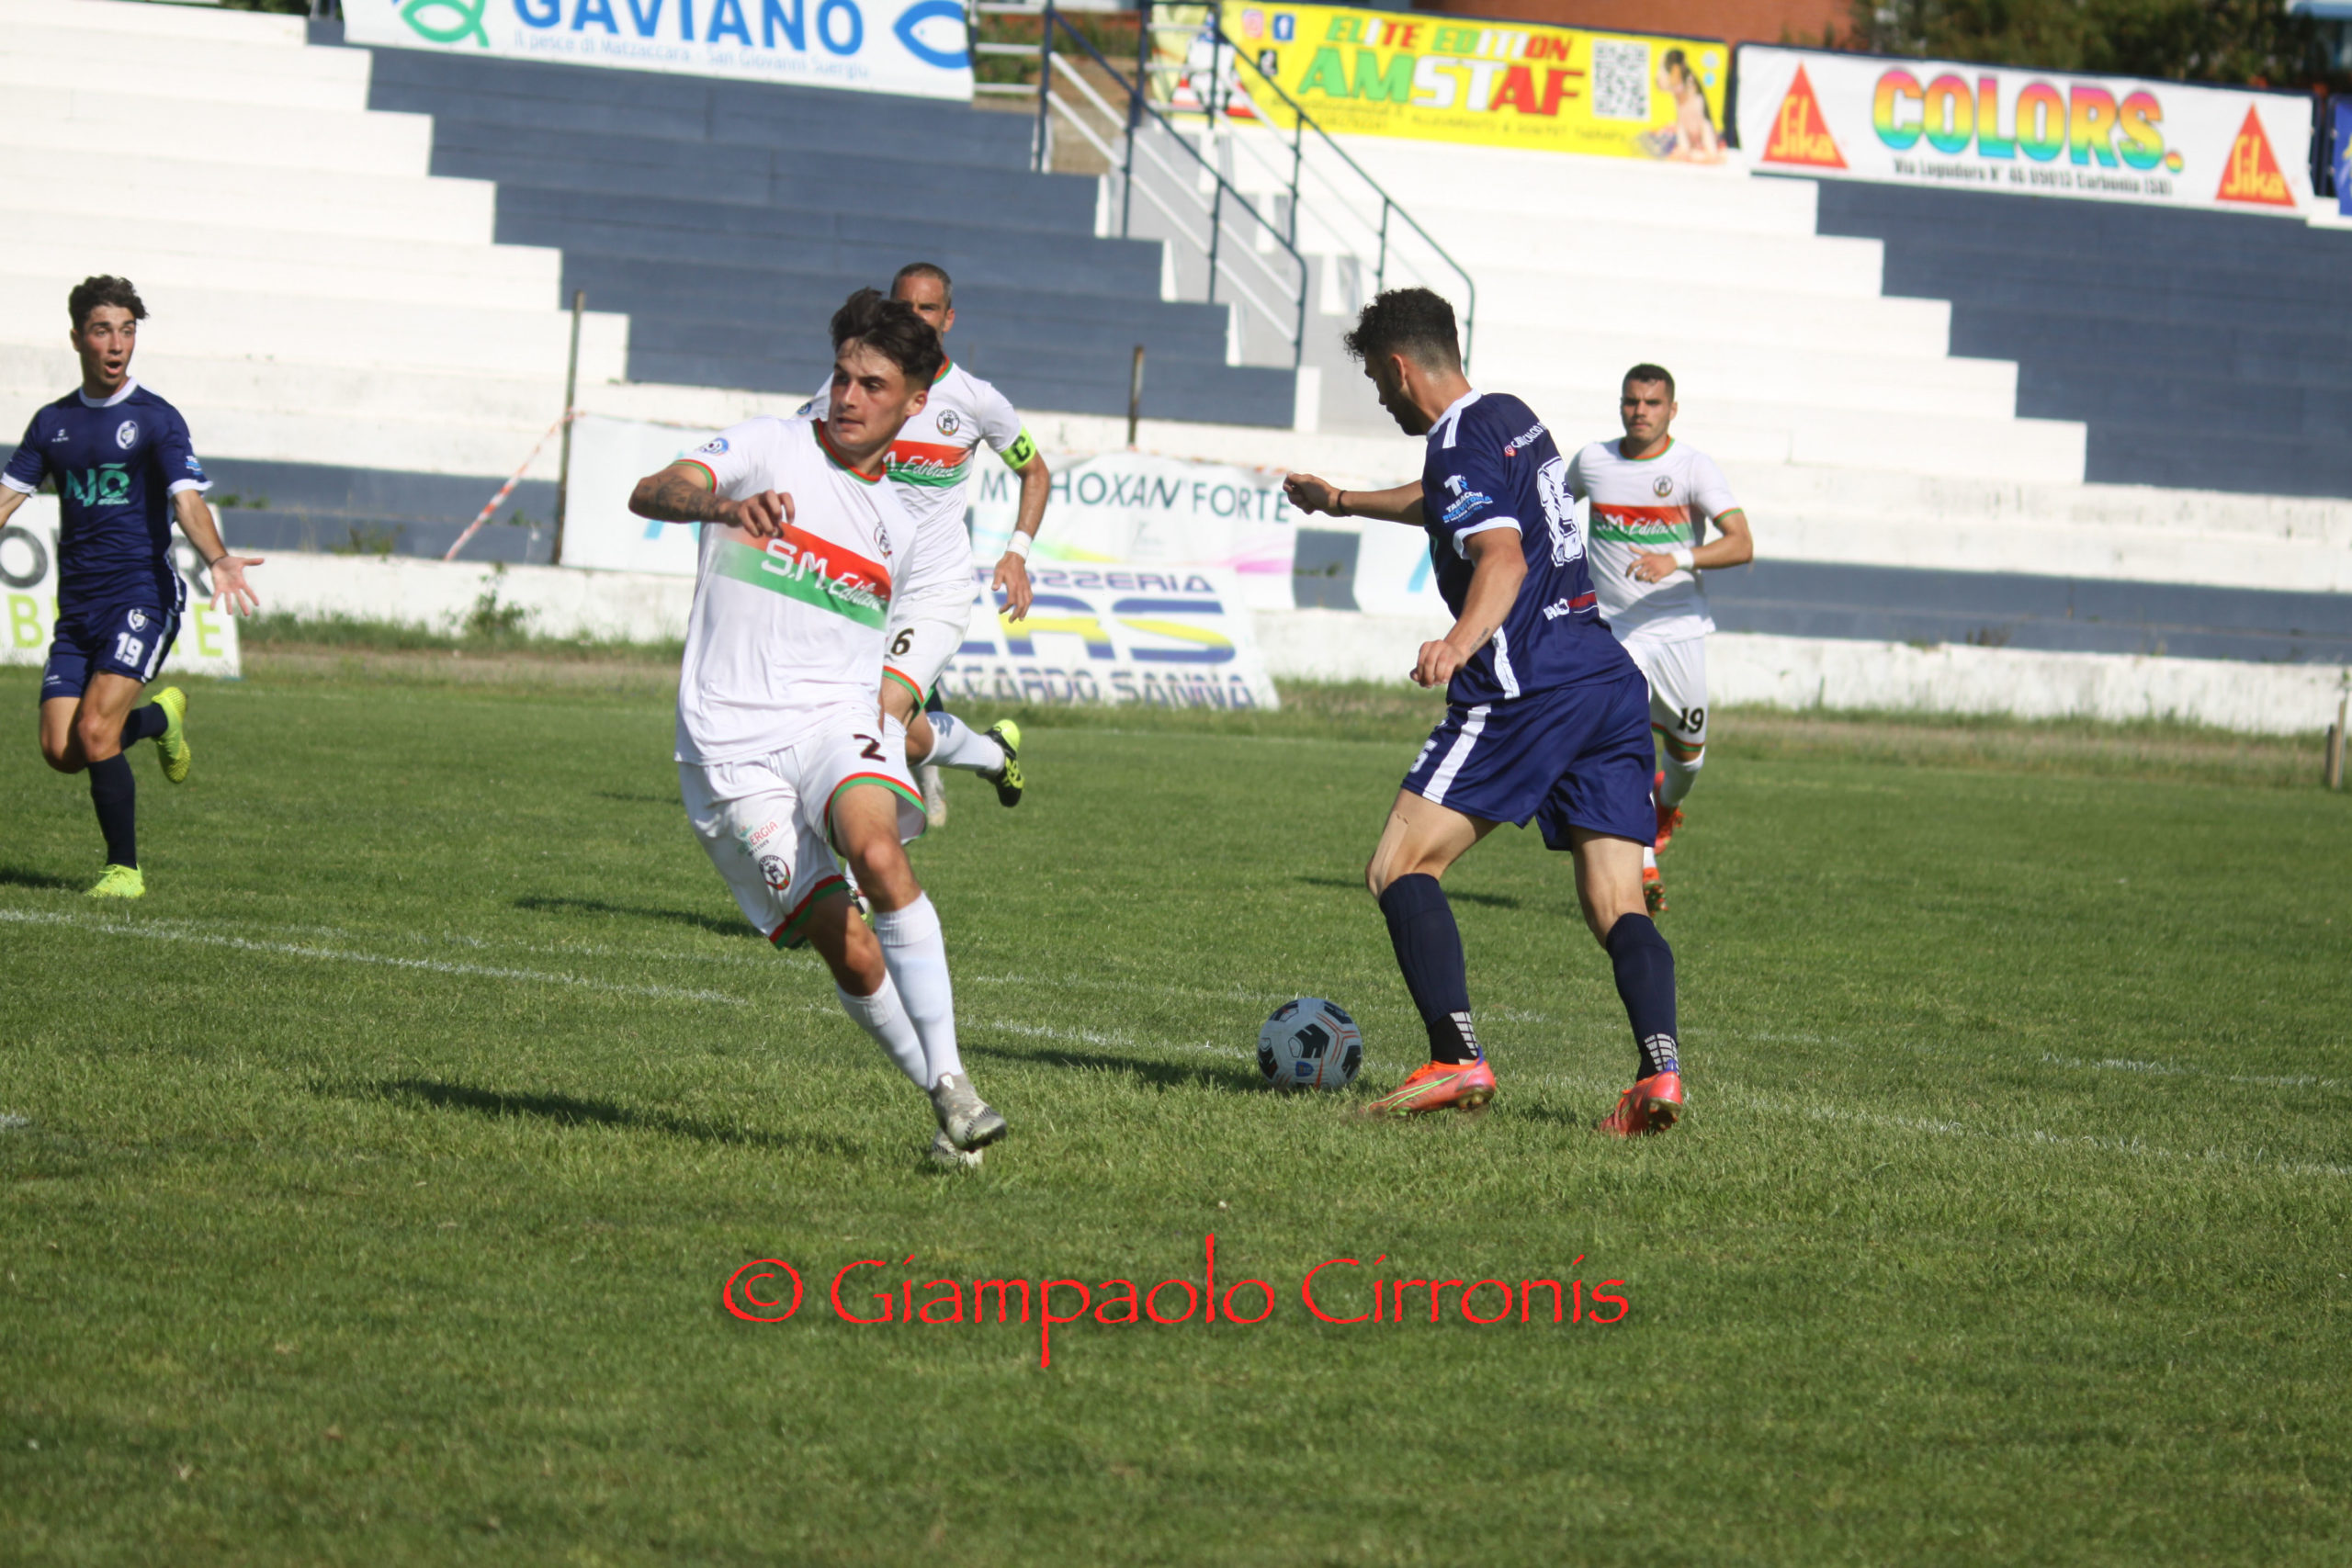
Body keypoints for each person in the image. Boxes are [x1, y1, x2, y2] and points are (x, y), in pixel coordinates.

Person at [1283, 289, 1688, 1137]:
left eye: (1378, 382)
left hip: (1525, 687)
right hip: (1604, 681)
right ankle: (1660, 1072)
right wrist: (1343, 500)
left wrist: (1458, 642)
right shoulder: (1508, 416)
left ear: (1400, 368)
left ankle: (1455, 1056)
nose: (1383, 399)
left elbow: (1500, 556)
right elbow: (1451, 501)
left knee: (1399, 866)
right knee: (1618, 902)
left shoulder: (1454, 440)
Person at [628, 288, 1006, 1168]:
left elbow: (922, 625)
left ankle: (956, 1082)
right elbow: (654, 490)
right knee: (852, 949)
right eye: (841, 376)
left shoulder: (907, 526)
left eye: (873, 385)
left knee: (879, 853)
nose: (848, 397)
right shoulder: (769, 445)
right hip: (728, 747)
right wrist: (720, 508)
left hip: (836, 721)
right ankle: (938, 1098)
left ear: (915, 402)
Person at [0, 275, 262, 898]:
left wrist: (218, 558)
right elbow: (7, 499)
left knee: (95, 731)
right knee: (62, 750)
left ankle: (124, 871)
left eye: (127, 330)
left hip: (142, 596)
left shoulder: (155, 419)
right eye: (103, 331)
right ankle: (160, 718)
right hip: (78, 608)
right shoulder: (53, 423)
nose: (117, 344)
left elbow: (187, 500)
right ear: (77, 339)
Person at [805, 262, 1051, 828]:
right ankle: (993, 755)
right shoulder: (855, 390)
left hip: (933, 589)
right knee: (901, 734)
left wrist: (1016, 552)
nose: (916, 318)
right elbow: (802, 450)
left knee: (878, 718)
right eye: (905, 306)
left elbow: (1035, 472)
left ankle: (863, 864)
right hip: (861, 588)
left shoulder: (976, 400)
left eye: (928, 308)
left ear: (948, 318)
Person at [1570, 365, 1754, 914]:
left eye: (1652, 403)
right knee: (1617, 744)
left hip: (1678, 631)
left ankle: (1665, 807)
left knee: (1689, 758)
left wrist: (1674, 558)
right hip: (1614, 631)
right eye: (1632, 401)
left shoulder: (1692, 468)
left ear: (1672, 410)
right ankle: (1642, 859)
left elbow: (1741, 543)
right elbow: (1550, 510)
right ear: (1620, 404)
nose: (1640, 412)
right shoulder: (1593, 461)